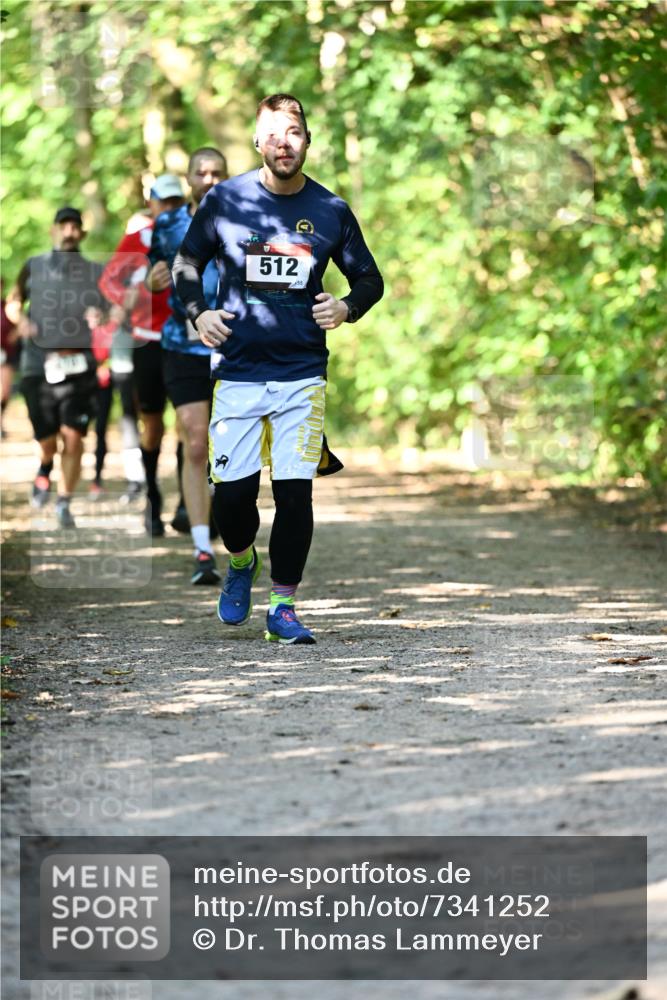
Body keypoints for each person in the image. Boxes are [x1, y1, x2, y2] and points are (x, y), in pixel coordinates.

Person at [173, 93, 383, 643]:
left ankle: (283, 605)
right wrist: (199, 312)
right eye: (272, 133)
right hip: (238, 372)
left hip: (302, 372)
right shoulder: (224, 200)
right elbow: (187, 262)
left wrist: (345, 307)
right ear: (257, 142)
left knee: (295, 493)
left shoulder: (332, 210)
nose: (283, 142)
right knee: (233, 501)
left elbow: (369, 279)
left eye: (293, 132)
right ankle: (241, 563)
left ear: (307, 140)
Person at [146, 154, 228, 580]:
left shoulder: (247, 219)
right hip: (182, 345)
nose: (209, 179)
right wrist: (150, 281)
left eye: (217, 173)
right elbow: (151, 272)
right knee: (196, 441)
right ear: (190, 179)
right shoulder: (169, 224)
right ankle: (201, 550)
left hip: (235, 348)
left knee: (231, 447)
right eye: (202, 173)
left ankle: (233, 532)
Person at [7, 207, 105, 527]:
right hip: (38, 364)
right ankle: (45, 467)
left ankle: (64, 501)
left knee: (74, 436)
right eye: (64, 226)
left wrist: (100, 317)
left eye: (75, 227)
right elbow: (12, 301)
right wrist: (21, 321)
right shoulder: (33, 266)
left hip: (79, 364)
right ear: (54, 230)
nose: (69, 232)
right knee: (47, 439)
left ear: (82, 234)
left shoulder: (94, 272)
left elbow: (111, 309)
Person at [98, 179, 178, 532]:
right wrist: (137, 291)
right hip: (147, 339)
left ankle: (191, 504)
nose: (171, 208)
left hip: (189, 340)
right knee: (153, 422)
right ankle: (152, 496)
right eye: (165, 202)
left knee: (194, 425)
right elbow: (108, 281)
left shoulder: (197, 228)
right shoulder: (138, 238)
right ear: (152, 203)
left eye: (177, 201)